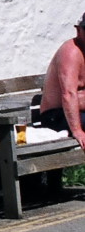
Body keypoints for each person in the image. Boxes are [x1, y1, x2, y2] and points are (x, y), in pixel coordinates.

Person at [39, 12, 85, 150]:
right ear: (78, 30)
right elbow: (68, 94)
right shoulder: (71, 51)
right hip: (56, 116)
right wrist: (78, 132)